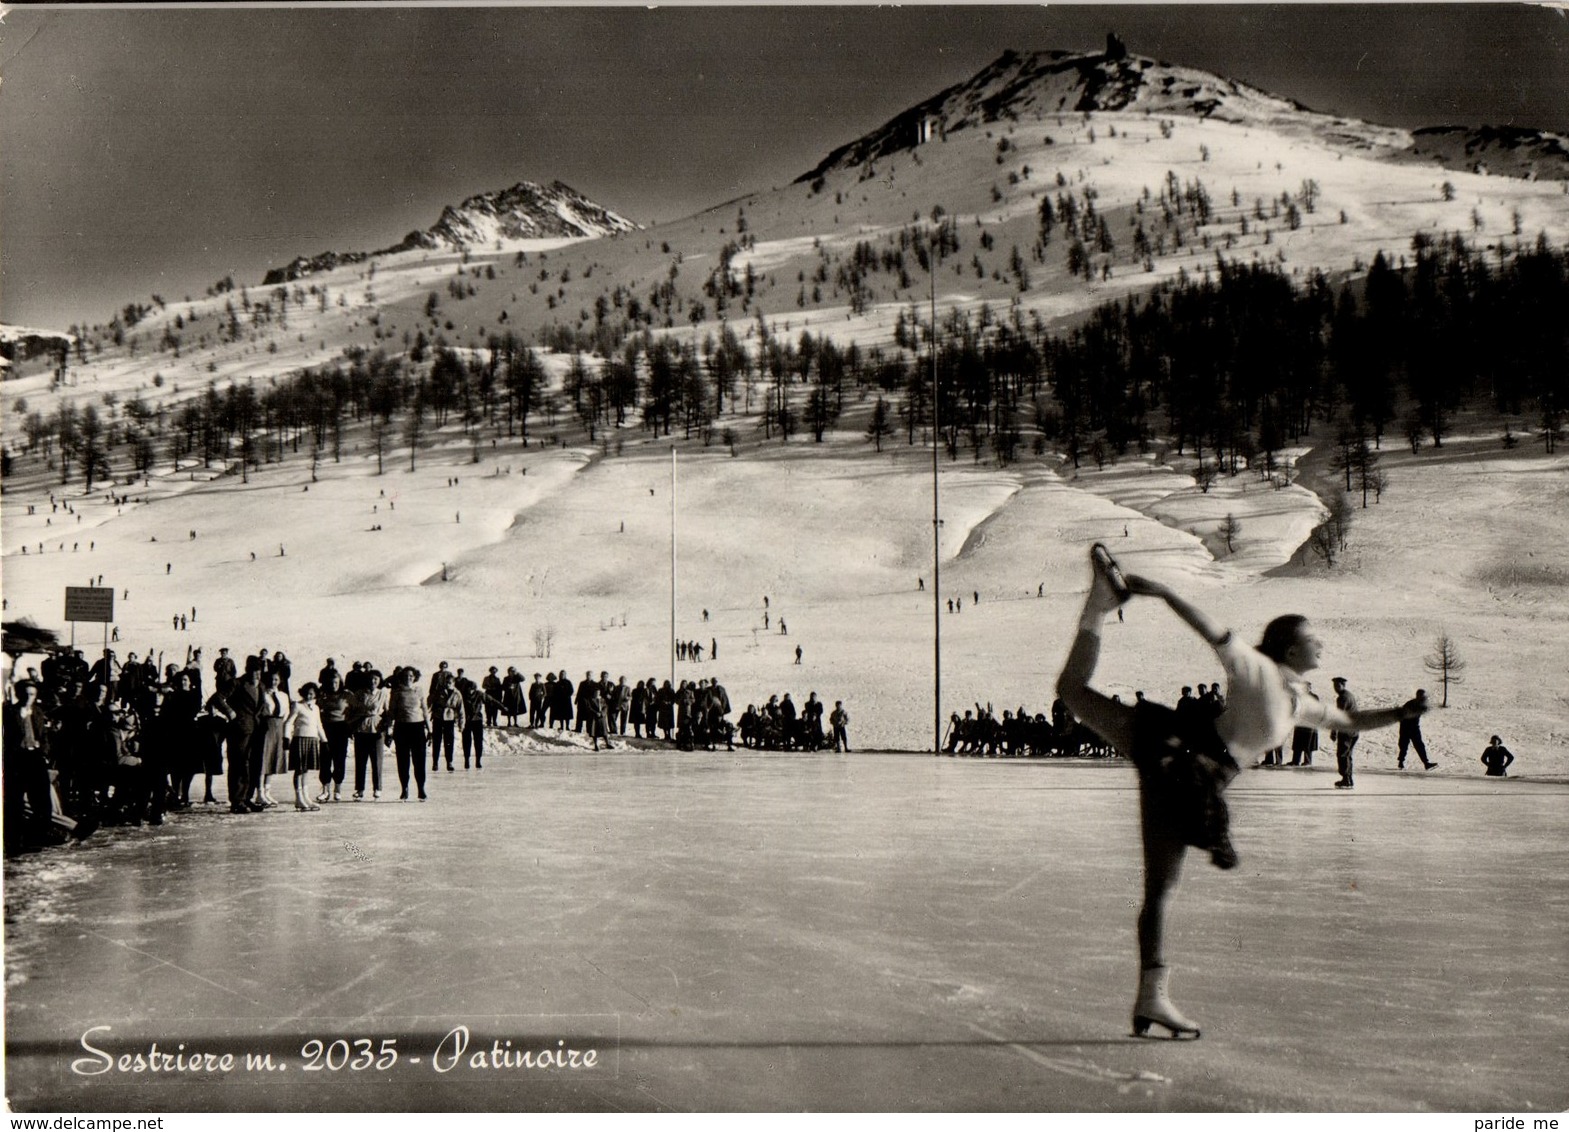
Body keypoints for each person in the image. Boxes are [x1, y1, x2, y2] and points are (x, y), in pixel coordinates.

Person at [1055, 545, 1426, 1040]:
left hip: (1191, 773)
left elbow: (1353, 720)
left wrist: (1402, 713)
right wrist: (1165, 592)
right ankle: (1152, 995)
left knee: (1161, 888)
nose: (1323, 647)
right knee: (1074, 695)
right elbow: (1213, 632)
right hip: (1184, 758)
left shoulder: (1300, 701)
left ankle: (1152, 995)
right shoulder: (1256, 669)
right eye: (1314, 640)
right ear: (1291, 649)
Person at [283, 683, 324, 812]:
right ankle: (299, 798)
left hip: (312, 740)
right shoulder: (298, 706)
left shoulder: (316, 708)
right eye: (306, 693)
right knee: (299, 770)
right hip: (300, 739)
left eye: (311, 693)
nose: (308, 695)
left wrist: (325, 741)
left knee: (306, 770)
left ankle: (306, 797)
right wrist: (286, 738)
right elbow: (288, 722)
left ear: (315, 694)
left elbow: (318, 725)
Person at [1329, 677, 1360, 788]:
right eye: (1334, 686)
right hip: (1354, 730)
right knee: (1347, 755)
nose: (1335, 688)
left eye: (1337, 686)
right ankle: (1349, 779)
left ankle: (1346, 779)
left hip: (1346, 731)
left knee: (1342, 754)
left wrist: (1334, 731)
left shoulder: (1343, 698)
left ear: (1343, 685)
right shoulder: (1349, 695)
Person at [1398, 690, 1437, 770]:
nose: (1423, 698)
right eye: (1422, 696)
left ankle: (1426, 763)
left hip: (1413, 728)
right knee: (1404, 745)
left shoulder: (1419, 704)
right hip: (1406, 728)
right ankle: (1401, 762)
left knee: (1419, 746)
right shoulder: (1410, 704)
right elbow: (1403, 715)